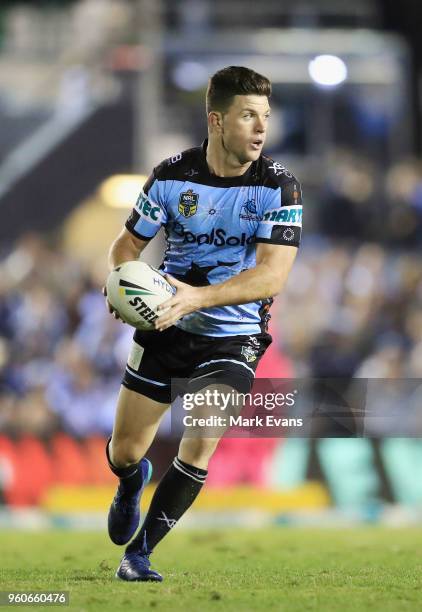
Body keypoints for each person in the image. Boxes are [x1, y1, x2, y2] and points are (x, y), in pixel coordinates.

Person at [105, 65, 302, 582]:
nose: (261, 129)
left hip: (233, 337)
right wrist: (122, 285)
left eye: (265, 117)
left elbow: (271, 277)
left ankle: (139, 555)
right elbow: (127, 245)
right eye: (248, 116)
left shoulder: (279, 187)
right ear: (216, 120)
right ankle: (130, 481)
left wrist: (196, 299)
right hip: (166, 327)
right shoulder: (171, 175)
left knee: (201, 439)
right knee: (124, 450)